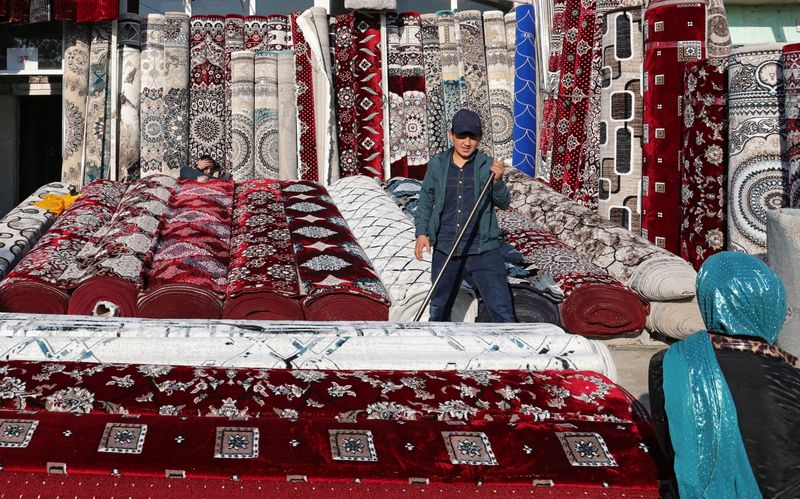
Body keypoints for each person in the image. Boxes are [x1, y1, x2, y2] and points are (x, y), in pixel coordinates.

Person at [648, 252, 800, 498]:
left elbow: (672, 450)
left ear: (709, 300)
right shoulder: (794, 377)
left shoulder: (673, 364)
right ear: (774, 307)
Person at [413, 108, 515, 322]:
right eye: (461, 136)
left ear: (479, 138)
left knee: (502, 309)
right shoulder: (438, 165)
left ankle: (513, 352)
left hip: (483, 248)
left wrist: (497, 181)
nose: (467, 142)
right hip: (446, 245)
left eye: (473, 137)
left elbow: (504, 203)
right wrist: (422, 233)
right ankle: (439, 351)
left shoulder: (487, 166)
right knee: (439, 309)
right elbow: (426, 201)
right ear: (451, 135)